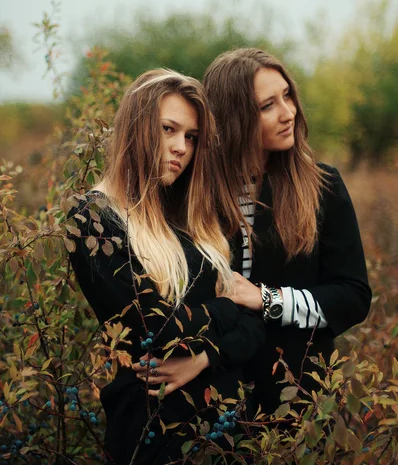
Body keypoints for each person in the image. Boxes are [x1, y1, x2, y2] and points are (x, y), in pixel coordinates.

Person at [67, 69, 265, 465]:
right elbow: (156, 328)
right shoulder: (94, 218)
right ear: (137, 127)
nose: (181, 147)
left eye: (191, 137)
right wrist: (226, 305)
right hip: (157, 462)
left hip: (227, 452)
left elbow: (255, 326)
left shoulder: (192, 220)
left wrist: (202, 358)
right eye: (168, 129)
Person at [143, 49, 371, 417]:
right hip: (210, 399)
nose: (289, 112)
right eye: (267, 106)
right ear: (235, 119)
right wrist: (203, 358)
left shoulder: (321, 186)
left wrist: (268, 300)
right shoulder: (192, 194)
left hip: (297, 397)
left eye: (287, 96)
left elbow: (353, 296)